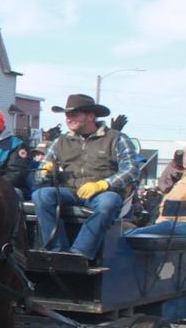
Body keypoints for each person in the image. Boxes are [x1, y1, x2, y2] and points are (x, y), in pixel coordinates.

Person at [31, 94, 139, 261]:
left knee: (108, 202)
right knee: (41, 195)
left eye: (73, 114)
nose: (68, 119)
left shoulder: (116, 138)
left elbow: (131, 169)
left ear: (90, 116)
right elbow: (39, 177)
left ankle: (80, 254)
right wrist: (44, 172)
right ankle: (58, 251)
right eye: (67, 115)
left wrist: (104, 184)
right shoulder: (60, 141)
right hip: (69, 191)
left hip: (101, 193)